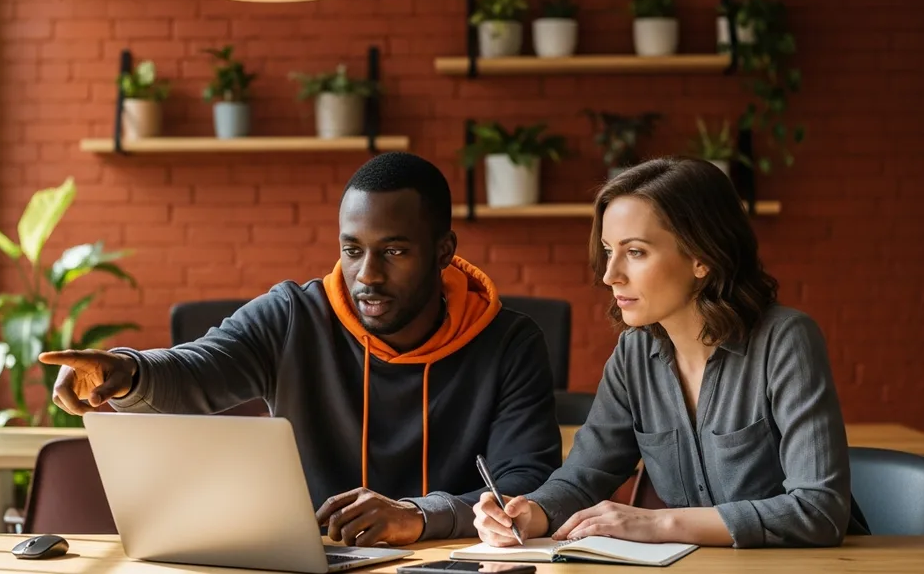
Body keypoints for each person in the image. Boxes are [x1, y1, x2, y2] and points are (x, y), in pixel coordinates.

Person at [41, 152, 562, 546]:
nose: (368, 275)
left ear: (444, 251)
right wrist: (127, 371)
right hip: (315, 561)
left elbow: (527, 484)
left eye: (395, 251)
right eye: (352, 250)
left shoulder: (509, 342)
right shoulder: (293, 315)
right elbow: (200, 369)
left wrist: (420, 515)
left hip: (454, 561)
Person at [473, 157, 864, 549]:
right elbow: (583, 475)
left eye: (636, 252)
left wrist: (659, 524)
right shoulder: (633, 354)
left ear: (703, 258)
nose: (610, 275)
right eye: (609, 250)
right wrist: (531, 512)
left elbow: (820, 511)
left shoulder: (786, 340)